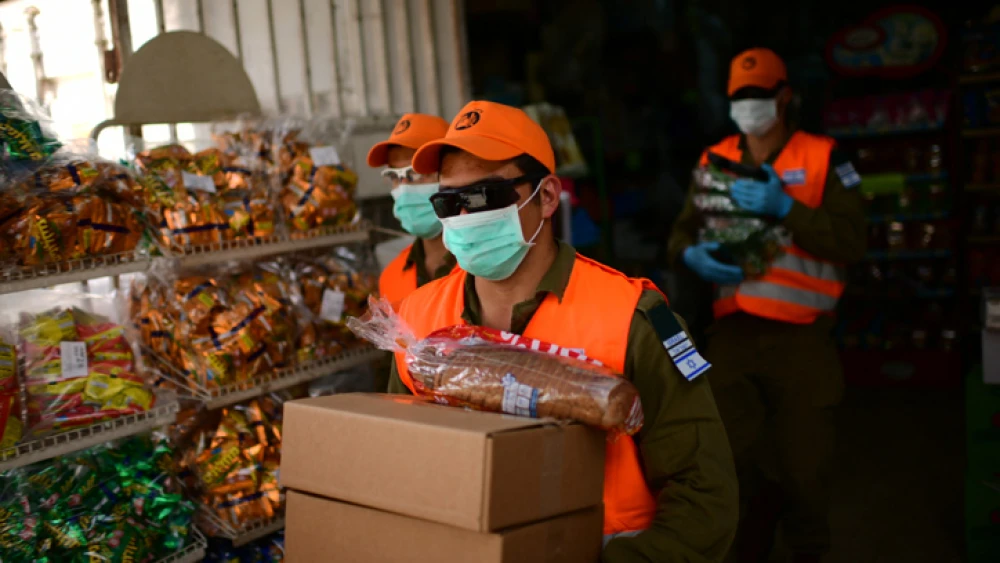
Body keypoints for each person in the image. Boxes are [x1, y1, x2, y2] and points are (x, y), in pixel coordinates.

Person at [387, 100, 738, 563]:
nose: (464, 217)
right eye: (448, 202)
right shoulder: (417, 318)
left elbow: (704, 495)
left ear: (547, 197)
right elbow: (399, 464)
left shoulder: (632, 317)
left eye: (484, 197)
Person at [667, 48, 867, 563]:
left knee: (806, 470)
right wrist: (690, 254)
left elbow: (853, 243)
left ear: (785, 96)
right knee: (727, 464)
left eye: (759, 94)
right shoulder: (715, 159)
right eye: (740, 96)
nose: (749, 104)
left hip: (804, 339)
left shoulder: (825, 157)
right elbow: (681, 234)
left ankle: (808, 551)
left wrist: (788, 209)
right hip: (732, 337)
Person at [367, 113, 456, 309]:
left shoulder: (485, 267)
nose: (404, 187)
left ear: (453, 174)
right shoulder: (392, 276)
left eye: (416, 173)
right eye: (394, 176)